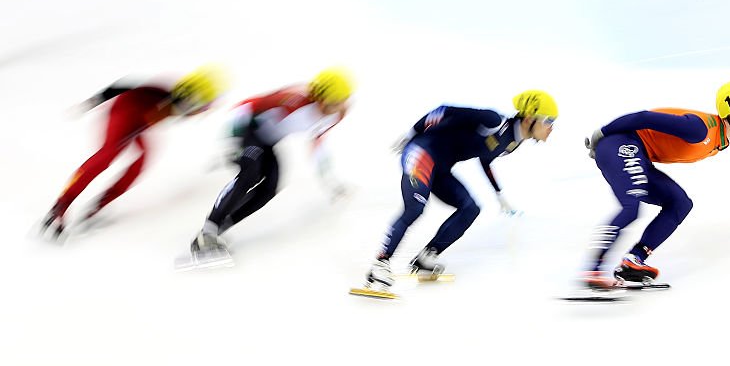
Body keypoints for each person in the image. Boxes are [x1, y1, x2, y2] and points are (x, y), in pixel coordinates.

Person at [359, 90, 557, 294]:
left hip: (441, 169)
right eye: (548, 121)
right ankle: (380, 264)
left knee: (470, 208)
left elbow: (486, 158)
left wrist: (499, 194)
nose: (551, 128)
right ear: (530, 119)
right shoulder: (494, 121)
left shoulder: (513, 143)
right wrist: (411, 133)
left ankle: (427, 256)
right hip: (421, 153)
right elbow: (444, 110)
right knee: (415, 207)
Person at [580, 80, 730, 288]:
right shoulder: (700, 129)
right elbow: (644, 118)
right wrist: (602, 133)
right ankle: (593, 269)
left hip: (639, 155)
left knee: (680, 203)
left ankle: (633, 261)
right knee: (631, 207)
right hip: (620, 143)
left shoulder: (718, 141)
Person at [186, 67, 353, 262]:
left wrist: (329, 180)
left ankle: (216, 231)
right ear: (319, 96)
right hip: (247, 130)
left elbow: (318, 144)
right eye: (332, 102)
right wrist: (232, 141)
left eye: (340, 102)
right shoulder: (293, 100)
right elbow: (246, 107)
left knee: (270, 187)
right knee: (250, 174)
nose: (335, 108)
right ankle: (208, 230)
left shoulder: (338, 113)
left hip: (268, 142)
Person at [41, 67, 226, 237]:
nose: (201, 113)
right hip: (124, 112)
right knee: (108, 154)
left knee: (141, 160)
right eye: (203, 107)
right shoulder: (165, 95)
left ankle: (100, 203)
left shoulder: (182, 105)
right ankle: (61, 205)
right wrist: (94, 101)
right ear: (192, 99)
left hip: (138, 123)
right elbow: (124, 86)